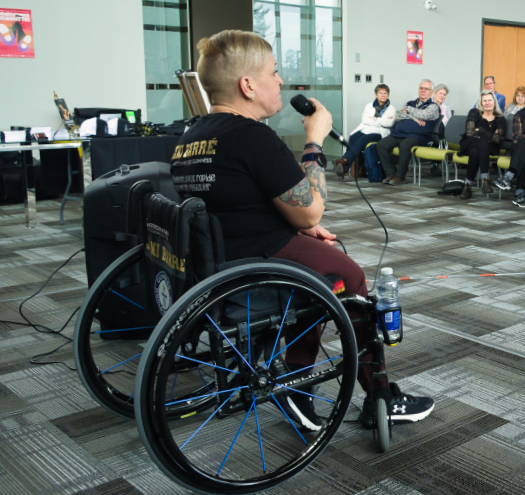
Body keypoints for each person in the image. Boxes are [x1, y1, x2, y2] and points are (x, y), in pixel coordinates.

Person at [170, 30, 433, 432]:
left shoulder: (191, 137)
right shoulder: (253, 138)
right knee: (349, 278)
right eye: (273, 72)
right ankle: (377, 395)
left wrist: (298, 226)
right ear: (248, 85)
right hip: (255, 265)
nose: (280, 81)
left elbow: (236, 203)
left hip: (216, 262)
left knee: (319, 267)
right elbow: (310, 211)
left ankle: (297, 382)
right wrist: (314, 142)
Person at [376, 79, 442, 186]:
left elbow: (424, 115)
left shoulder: (433, 106)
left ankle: (400, 176)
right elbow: (397, 115)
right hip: (399, 134)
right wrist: (414, 118)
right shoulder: (410, 103)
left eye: (426, 89)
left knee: (405, 145)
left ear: (432, 92)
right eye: (421, 88)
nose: (423, 90)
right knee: (381, 144)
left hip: (418, 136)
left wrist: (408, 110)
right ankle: (391, 173)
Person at [334, 83, 395, 179]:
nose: (383, 95)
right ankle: (346, 165)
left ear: (388, 95)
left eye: (385, 93)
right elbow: (365, 120)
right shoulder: (369, 106)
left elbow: (389, 123)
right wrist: (380, 121)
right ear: (376, 94)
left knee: (362, 140)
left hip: (379, 133)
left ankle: (345, 162)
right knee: (353, 137)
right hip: (366, 129)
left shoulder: (391, 109)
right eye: (380, 93)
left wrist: (374, 119)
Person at [457, 90, 505, 199]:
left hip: (489, 148)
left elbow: (497, 139)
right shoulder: (474, 112)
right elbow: (470, 132)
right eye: (484, 101)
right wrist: (490, 135)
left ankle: (467, 185)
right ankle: (485, 179)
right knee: (481, 142)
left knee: (476, 150)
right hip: (469, 143)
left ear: (494, 102)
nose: (487, 103)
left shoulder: (500, 119)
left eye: (490, 100)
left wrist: (480, 130)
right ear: (481, 103)